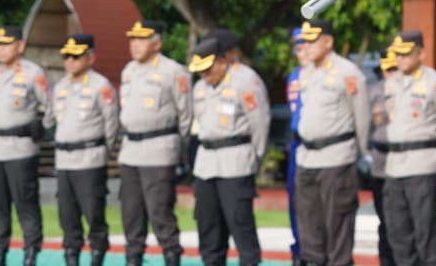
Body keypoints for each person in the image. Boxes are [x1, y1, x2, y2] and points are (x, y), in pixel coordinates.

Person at [294, 18, 371, 266]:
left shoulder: (348, 73)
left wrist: (359, 153)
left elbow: (362, 118)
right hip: (307, 158)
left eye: (312, 40)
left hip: (336, 158)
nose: (306, 46)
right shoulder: (306, 72)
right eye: (304, 41)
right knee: (309, 225)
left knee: (338, 226)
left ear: (328, 41)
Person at [188, 37, 269, 266]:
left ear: (222, 62)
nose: (203, 75)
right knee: (208, 228)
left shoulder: (246, 81)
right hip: (206, 165)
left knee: (241, 226)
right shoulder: (200, 88)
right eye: (200, 71)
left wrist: (255, 158)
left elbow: (260, 124)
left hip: (235, 162)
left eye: (207, 69)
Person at [380, 31, 436, 266]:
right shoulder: (391, 83)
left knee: (425, 231)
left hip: (422, 164)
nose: (400, 59)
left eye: (406, 54)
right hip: (394, 166)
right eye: (397, 54)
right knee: (398, 231)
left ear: (421, 53)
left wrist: (432, 150)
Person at [119, 19, 192, 266]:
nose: (135, 44)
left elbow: (186, 115)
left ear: (157, 44)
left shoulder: (173, 71)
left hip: (159, 148)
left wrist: (179, 148)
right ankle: (133, 258)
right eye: (133, 39)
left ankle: (171, 255)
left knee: (160, 211)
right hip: (130, 150)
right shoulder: (129, 71)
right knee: (131, 212)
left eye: (141, 40)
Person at [52, 34, 119, 266]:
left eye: (76, 56)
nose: (70, 61)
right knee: (67, 215)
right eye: (67, 56)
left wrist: (102, 151)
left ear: (90, 58)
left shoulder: (100, 86)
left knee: (93, 214)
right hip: (64, 160)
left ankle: (97, 257)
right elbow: (53, 121)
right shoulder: (60, 86)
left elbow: (111, 125)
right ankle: (71, 258)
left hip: (90, 158)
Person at [0, 24, 52, 266]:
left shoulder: (32, 73)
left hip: (20, 148)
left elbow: (51, 106)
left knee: (25, 203)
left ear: (20, 46)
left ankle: (31, 250)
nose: (1, 49)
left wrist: (41, 128)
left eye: (6, 44)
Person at [369, 45, 398, 266]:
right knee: (384, 220)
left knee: (406, 222)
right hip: (381, 163)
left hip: (406, 162)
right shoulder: (374, 92)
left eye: (393, 69)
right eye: (386, 70)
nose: (389, 74)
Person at [286, 27, 310, 264]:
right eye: (298, 48)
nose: (302, 52)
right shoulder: (293, 76)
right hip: (297, 142)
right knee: (295, 198)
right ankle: (299, 248)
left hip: (322, 145)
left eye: (305, 47)